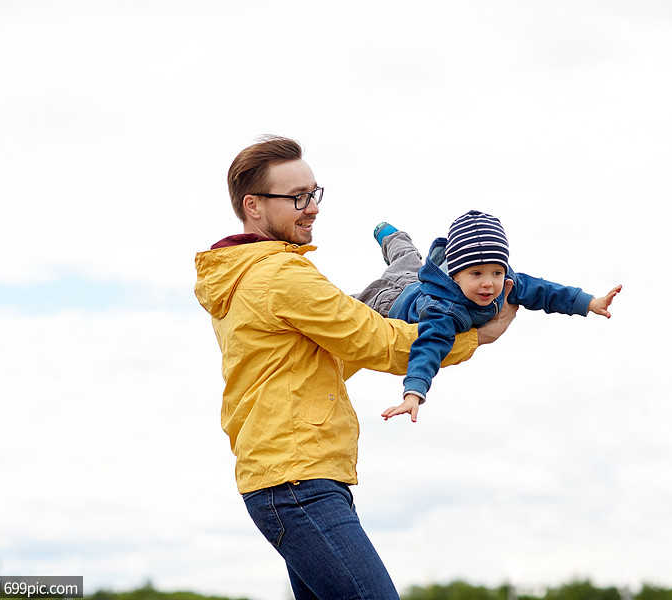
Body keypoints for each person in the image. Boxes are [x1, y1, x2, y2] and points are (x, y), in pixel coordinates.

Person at [193, 136, 517, 600]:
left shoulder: (245, 275)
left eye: (314, 193)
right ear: (254, 206)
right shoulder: (279, 276)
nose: (312, 208)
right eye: (298, 198)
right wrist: (472, 337)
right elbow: (374, 340)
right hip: (297, 482)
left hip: (295, 476)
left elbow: (329, 359)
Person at [354, 210, 621, 422]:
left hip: (419, 282)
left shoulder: (506, 282)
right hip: (389, 302)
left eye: (496, 272)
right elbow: (428, 348)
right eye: (477, 274)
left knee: (409, 260)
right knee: (371, 290)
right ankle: (389, 234)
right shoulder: (444, 310)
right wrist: (414, 393)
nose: (489, 284)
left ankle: (391, 236)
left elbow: (545, 291)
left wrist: (589, 303)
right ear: (455, 275)